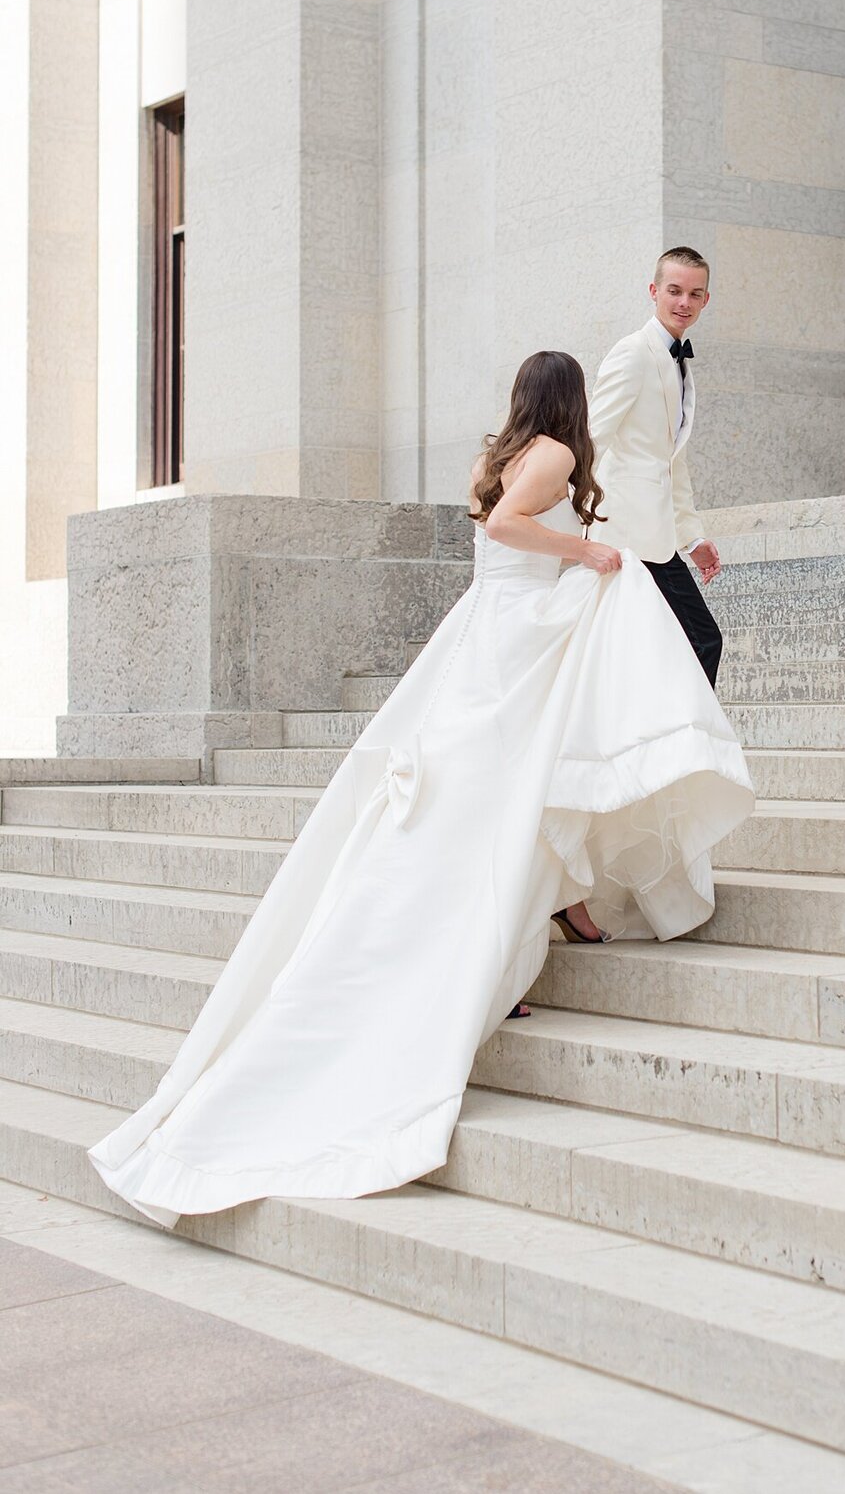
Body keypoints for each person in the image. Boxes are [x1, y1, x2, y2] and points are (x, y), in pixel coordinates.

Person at [88, 351, 754, 1227]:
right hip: (511, 625)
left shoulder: (500, 450)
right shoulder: (550, 453)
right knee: (535, 742)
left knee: (498, 786)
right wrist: (586, 549)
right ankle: (548, 902)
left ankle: (553, 902)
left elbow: (494, 520)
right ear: (567, 398)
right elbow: (515, 529)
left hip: (490, 624)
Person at [589, 246, 723, 686]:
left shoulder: (678, 362)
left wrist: (693, 535)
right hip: (625, 534)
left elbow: (672, 461)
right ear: (654, 291)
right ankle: (684, 741)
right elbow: (592, 438)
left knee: (670, 646)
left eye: (694, 294)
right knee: (700, 639)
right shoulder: (633, 353)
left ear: (706, 299)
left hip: (659, 535)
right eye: (674, 291)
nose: (684, 302)